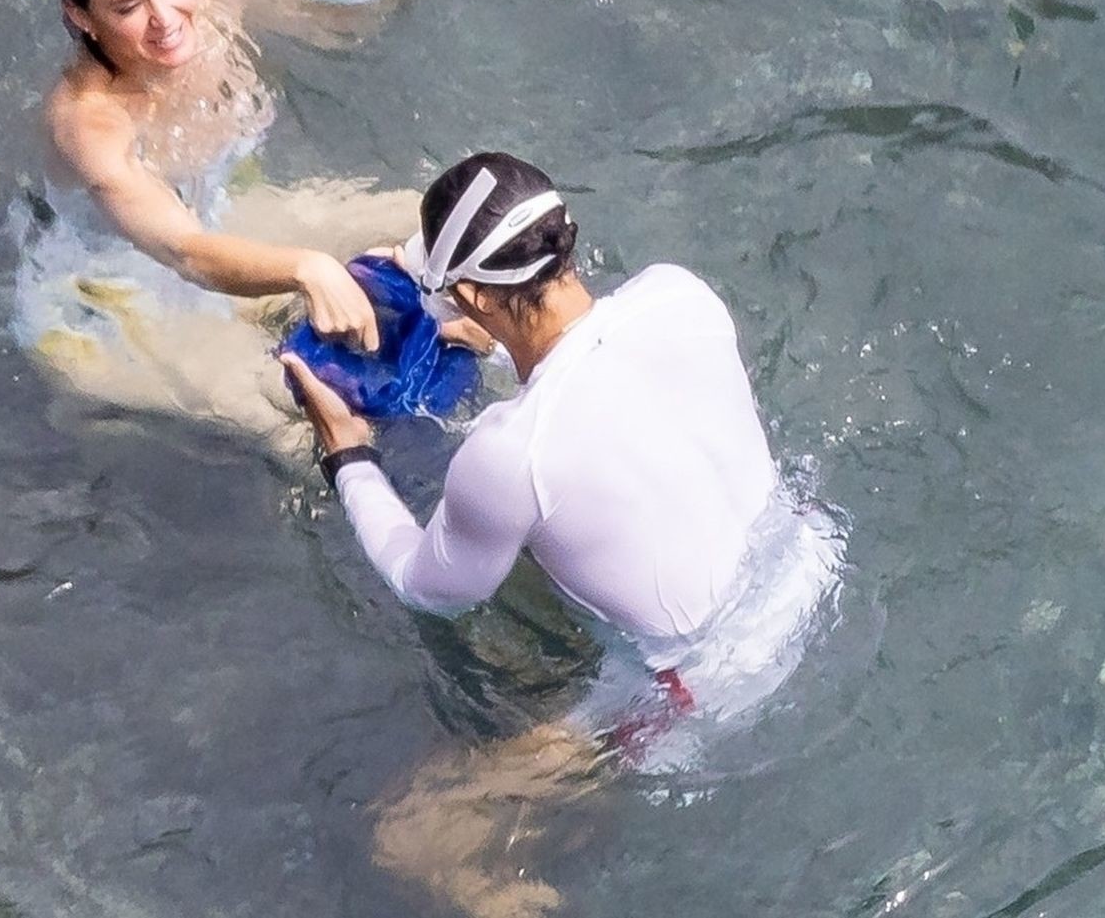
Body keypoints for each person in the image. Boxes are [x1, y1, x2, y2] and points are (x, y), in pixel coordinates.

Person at [281, 151, 844, 918]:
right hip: (810, 567)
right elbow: (607, 400)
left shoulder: (510, 453)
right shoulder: (679, 293)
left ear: (473, 295)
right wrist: (494, 340)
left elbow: (425, 588)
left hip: (710, 681)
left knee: (408, 835)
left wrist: (346, 453)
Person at [10, 0, 434, 440]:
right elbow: (185, 252)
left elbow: (338, 25)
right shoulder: (89, 123)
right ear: (80, 15)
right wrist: (307, 268)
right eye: (129, 6)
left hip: (228, 218)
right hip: (115, 304)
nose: (165, 18)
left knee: (441, 219)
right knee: (306, 427)